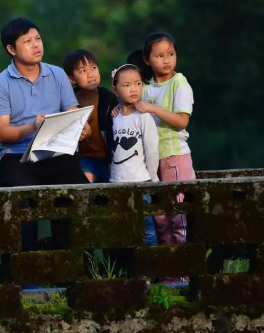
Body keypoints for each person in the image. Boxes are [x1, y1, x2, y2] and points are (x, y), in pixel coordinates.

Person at [0, 17, 91, 252]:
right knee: (24, 205)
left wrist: (81, 128)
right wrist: (33, 127)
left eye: (38, 39)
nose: (36, 45)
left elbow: (73, 113)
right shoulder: (0, 85)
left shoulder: (57, 75)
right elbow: (1, 134)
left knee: (81, 197)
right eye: (27, 41)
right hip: (17, 156)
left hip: (56, 151)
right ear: (11, 49)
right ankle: (26, 272)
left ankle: (74, 265)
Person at [134, 31, 195, 248]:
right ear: (146, 60)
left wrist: (152, 108)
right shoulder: (145, 86)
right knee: (159, 216)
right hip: (151, 159)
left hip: (174, 155)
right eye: (159, 56)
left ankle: (182, 270)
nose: (166, 60)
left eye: (170, 54)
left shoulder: (179, 82)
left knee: (178, 213)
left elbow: (181, 120)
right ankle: (167, 269)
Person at [109, 64, 160, 247]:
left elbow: (152, 150)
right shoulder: (114, 116)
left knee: (147, 228)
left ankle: (149, 271)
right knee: (121, 227)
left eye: (138, 83)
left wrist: (153, 177)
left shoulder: (144, 117)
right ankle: (129, 270)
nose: (133, 89)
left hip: (141, 181)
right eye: (127, 85)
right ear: (115, 89)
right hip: (116, 182)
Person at [62, 49, 118, 183]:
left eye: (93, 68)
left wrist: (112, 160)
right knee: (85, 184)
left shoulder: (109, 99)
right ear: (71, 79)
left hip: (109, 157)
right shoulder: (68, 102)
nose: (90, 74)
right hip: (83, 158)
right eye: (82, 71)